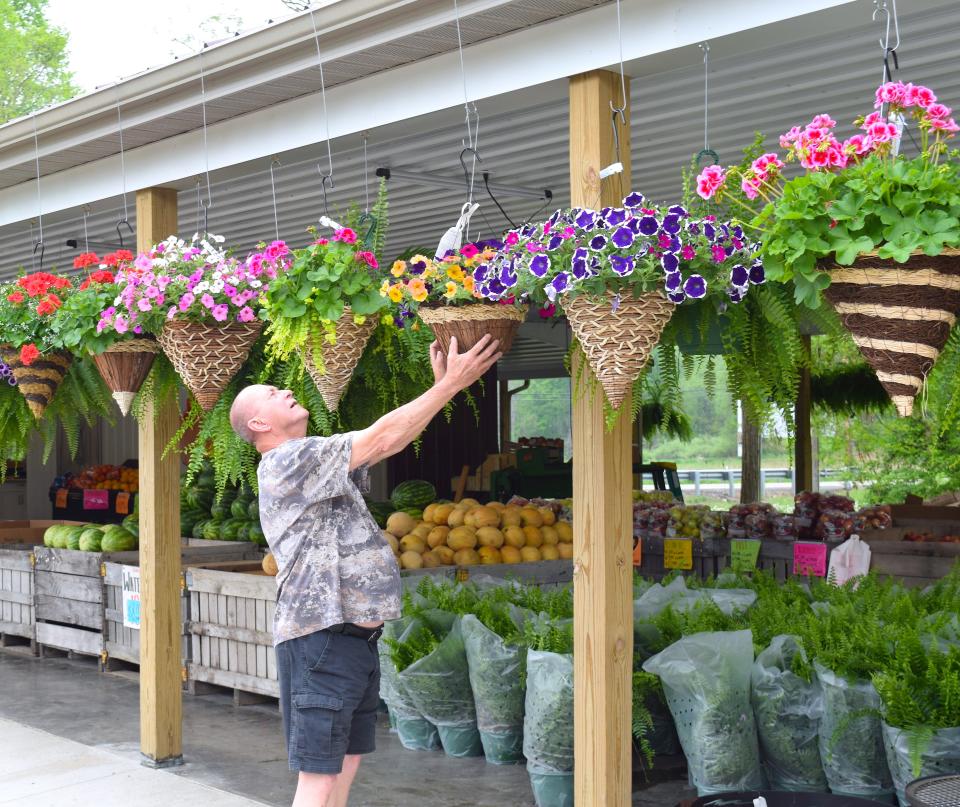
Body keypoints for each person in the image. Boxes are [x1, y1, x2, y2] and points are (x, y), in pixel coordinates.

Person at [229, 335, 501, 807]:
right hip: (321, 639)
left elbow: (386, 442)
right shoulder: (286, 461)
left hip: (352, 641)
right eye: (273, 393)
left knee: (346, 763)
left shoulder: (313, 458)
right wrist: (450, 386)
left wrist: (444, 390)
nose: (286, 391)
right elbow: (379, 436)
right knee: (318, 776)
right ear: (258, 422)